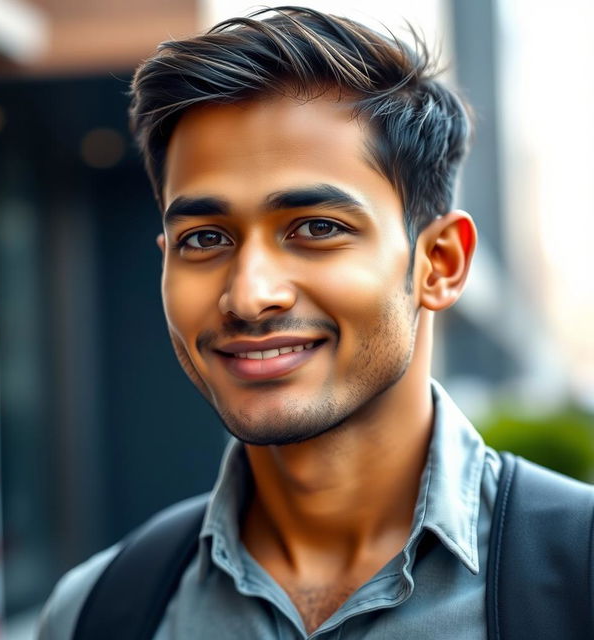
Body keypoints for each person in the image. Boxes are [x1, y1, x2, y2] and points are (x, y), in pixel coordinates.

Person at [37, 7, 591, 639]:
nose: (249, 295)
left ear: (439, 263)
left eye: (317, 228)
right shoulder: (97, 612)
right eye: (205, 238)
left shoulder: (578, 576)